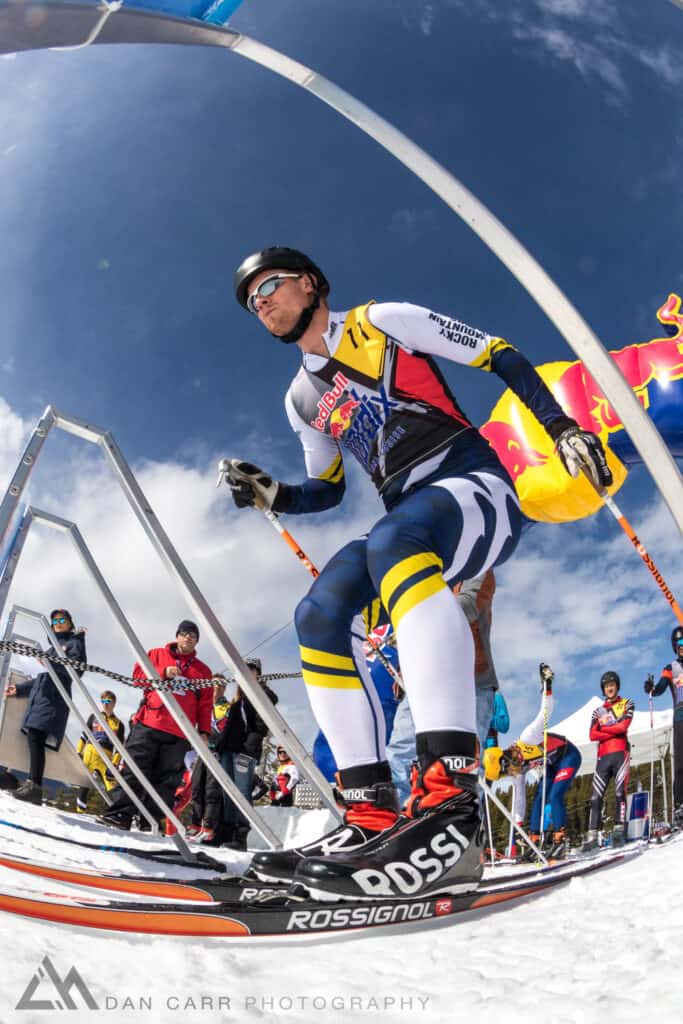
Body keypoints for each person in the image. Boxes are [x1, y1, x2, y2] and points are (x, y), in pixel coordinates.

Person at [223, 246, 611, 900]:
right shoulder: (299, 398)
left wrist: (560, 426)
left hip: (475, 484)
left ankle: (447, 812)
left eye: (269, 285)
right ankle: (370, 816)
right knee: (318, 611)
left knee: (394, 542)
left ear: (312, 283)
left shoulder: (385, 319)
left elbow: (499, 354)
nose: (260, 302)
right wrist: (274, 494)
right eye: (250, 300)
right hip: (406, 511)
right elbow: (327, 489)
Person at [387, 570, 503, 803]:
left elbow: (468, 605)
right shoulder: (422, 579)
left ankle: (459, 825)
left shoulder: (478, 568)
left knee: (462, 760)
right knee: (400, 750)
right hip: (423, 682)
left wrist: (417, 621)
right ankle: (394, 819)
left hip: (471, 682)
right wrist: (404, 669)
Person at [98, 620, 213, 830]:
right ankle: (120, 814)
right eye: (185, 633)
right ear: (177, 635)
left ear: (196, 642)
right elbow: (138, 678)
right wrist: (162, 672)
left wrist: (204, 731)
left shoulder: (203, 671)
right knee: (135, 770)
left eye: (194, 636)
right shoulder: (156, 654)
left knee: (166, 781)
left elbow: (205, 705)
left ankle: (149, 822)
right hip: (150, 722)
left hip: (180, 732)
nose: (189, 637)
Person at [483, 664, 581, 859]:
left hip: (568, 756)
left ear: (505, 758)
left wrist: (547, 686)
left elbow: (546, 711)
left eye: (506, 770)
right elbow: (519, 799)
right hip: (553, 765)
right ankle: (533, 842)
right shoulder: (517, 770)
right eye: (505, 775)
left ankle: (560, 840)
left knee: (554, 796)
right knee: (537, 799)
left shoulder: (527, 737)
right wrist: (518, 827)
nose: (510, 773)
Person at [6, 609, 86, 806]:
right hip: (40, 699)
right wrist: (20, 689)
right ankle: (23, 781)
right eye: (55, 621)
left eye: (62, 619)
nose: (58, 622)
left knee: (36, 736)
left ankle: (35, 785)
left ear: (70, 623)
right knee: (33, 737)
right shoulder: (52, 649)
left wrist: (51, 664)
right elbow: (40, 677)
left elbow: (76, 669)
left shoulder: (74, 643)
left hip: (53, 701)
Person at [212, 657, 279, 849]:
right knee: (228, 792)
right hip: (228, 750)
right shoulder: (238, 700)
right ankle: (225, 832)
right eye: (244, 669)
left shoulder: (261, 695)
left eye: (251, 669)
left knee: (242, 791)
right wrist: (220, 747)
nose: (247, 672)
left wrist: (249, 751)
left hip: (244, 751)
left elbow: (260, 726)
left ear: (258, 673)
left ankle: (240, 835)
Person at [581, 671, 634, 852]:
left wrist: (605, 727)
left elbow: (624, 727)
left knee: (620, 794)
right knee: (595, 798)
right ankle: (592, 837)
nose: (609, 688)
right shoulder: (598, 711)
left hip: (621, 754)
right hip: (603, 758)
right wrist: (613, 728)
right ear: (603, 689)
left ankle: (619, 832)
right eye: (606, 686)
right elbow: (591, 734)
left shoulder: (627, 704)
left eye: (612, 684)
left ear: (617, 686)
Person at [645, 625, 683, 825]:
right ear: (674, 647)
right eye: (679, 644)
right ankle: (680, 806)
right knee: (681, 764)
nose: (682, 647)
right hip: (681, 715)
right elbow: (661, 686)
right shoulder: (671, 668)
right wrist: (653, 689)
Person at [76, 691, 126, 813]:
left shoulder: (119, 724)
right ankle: (79, 811)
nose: (105, 705)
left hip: (106, 755)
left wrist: (114, 764)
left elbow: (119, 748)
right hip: (90, 751)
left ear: (114, 703)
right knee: (84, 781)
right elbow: (84, 735)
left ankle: (112, 813)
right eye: (103, 702)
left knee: (111, 785)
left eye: (108, 701)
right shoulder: (94, 717)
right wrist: (78, 752)